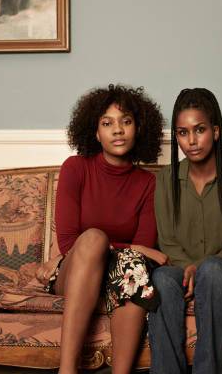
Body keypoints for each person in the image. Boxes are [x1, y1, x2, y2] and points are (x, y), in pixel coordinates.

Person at [36, 84, 167, 374]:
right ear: (96, 133)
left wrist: (135, 250)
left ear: (139, 128)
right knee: (94, 238)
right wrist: (129, 247)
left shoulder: (148, 183)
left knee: (133, 264)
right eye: (107, 123)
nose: (118, 130)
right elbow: (70, 242)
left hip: (120, 272)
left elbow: (143, 246)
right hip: (75, 270)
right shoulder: (75, 168)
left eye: (126, 121)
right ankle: (67, 370)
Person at [149, 88, 222, 374]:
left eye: (199, 130)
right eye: (182, 132)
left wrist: (199, 267)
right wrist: (188, 268)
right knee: (161, 277)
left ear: (215, 131)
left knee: (212, 270)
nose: (191, 141)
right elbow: (167, 241)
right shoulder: (166, 180)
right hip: (180, 268)